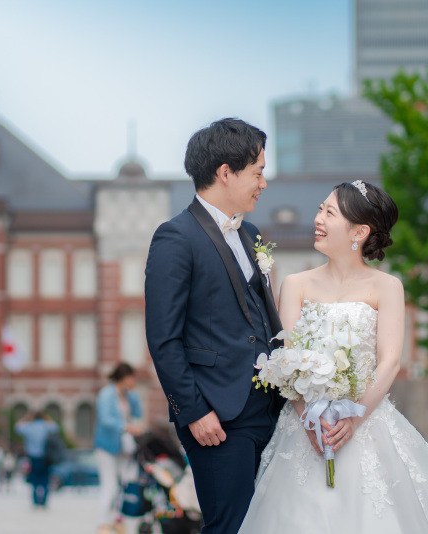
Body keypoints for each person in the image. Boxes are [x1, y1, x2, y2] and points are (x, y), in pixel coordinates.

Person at [238, 181, 428, 533]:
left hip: (365, 421)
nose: (318, 219)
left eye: (329, 212)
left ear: (359, 232)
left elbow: (390, 362)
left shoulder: (387, 287)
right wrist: (308, 416)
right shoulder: (295, 284)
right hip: (304, 426)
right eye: (320, 209)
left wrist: (353, 419)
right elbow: (286, 358)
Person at [145, 118, 284, 534]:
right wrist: (193, 412)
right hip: (216, 416)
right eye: (257, 172)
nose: (263, 184)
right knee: (229, 526)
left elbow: (263, 319)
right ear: (226, 172)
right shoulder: (175, 237)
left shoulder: (251, 234)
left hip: (269, 408)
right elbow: (163, 338)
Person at [94, 363, 143, 534]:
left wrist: (134, 394)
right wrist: (126, 427)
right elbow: (105, 419)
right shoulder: (106, 394)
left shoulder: (127, 395)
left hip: (124, 446)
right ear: (125, 377)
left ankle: (117, 519)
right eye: (132, 377)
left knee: (124, 484)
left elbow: (138, 413)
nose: (134, 381)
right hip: (106, 446)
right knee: (109, 484)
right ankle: (102, 523)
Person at [15, 410, 58, 509]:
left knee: (34, 481)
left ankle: (35, 502)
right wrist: (47, 418)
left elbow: (17, 427)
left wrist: (26, 418)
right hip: (45, 458)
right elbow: (55, 428)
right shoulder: (46, 426)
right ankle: (44, 502)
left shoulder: (29, 427)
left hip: (33, 457)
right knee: (45, 481)